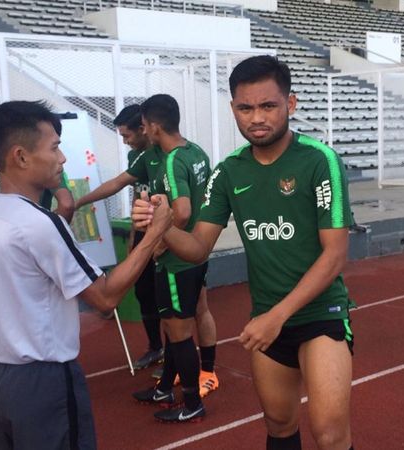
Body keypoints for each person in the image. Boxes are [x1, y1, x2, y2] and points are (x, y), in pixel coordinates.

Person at [134, 56, 355, 449]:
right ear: (234, 108)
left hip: (320, 315)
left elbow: (335, 255)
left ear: (291, 104)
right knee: (279, 423)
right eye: (245, 107)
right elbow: (199, 247)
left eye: (268, 106)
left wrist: (277, 316)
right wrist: (162, 227)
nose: (256, 118)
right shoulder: (229, 171)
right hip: (267, 321)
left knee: (329, 432)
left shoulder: (320, 161)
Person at [0, 100, 172, 449]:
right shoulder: (39, 224)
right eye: (55, 148)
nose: (62, 158)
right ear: (21, 157)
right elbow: (105, 298)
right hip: (43, 383)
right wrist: (154, 235)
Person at [130, 94, 217, 423]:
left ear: (153, 126)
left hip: (177, 262)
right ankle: (165, 386)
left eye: (143, 126)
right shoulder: (196, 152)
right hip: (197, 252)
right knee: (173, 323)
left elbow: (181, 211)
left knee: (179, 333)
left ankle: (192, 403)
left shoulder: (170, 160)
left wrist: (159, 245)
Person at [75, 104, 165, 370]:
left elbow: (117, 184)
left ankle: (177, 353)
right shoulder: (137, 156)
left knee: (168, 297)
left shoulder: (161, 154)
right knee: (144, 291)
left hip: (165, 235)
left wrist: (80, 200)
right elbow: (137, 193)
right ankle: (155, 348)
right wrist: (134, 234)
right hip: (143, 232)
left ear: (144, 128)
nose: (125, 142)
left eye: (127, 136)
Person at [0, 161, 75, 222]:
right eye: (53, 148)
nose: (62, 157)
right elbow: (67, 205)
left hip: (2, 245)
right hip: (38, 239)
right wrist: (53, 232)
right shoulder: (46, 166)